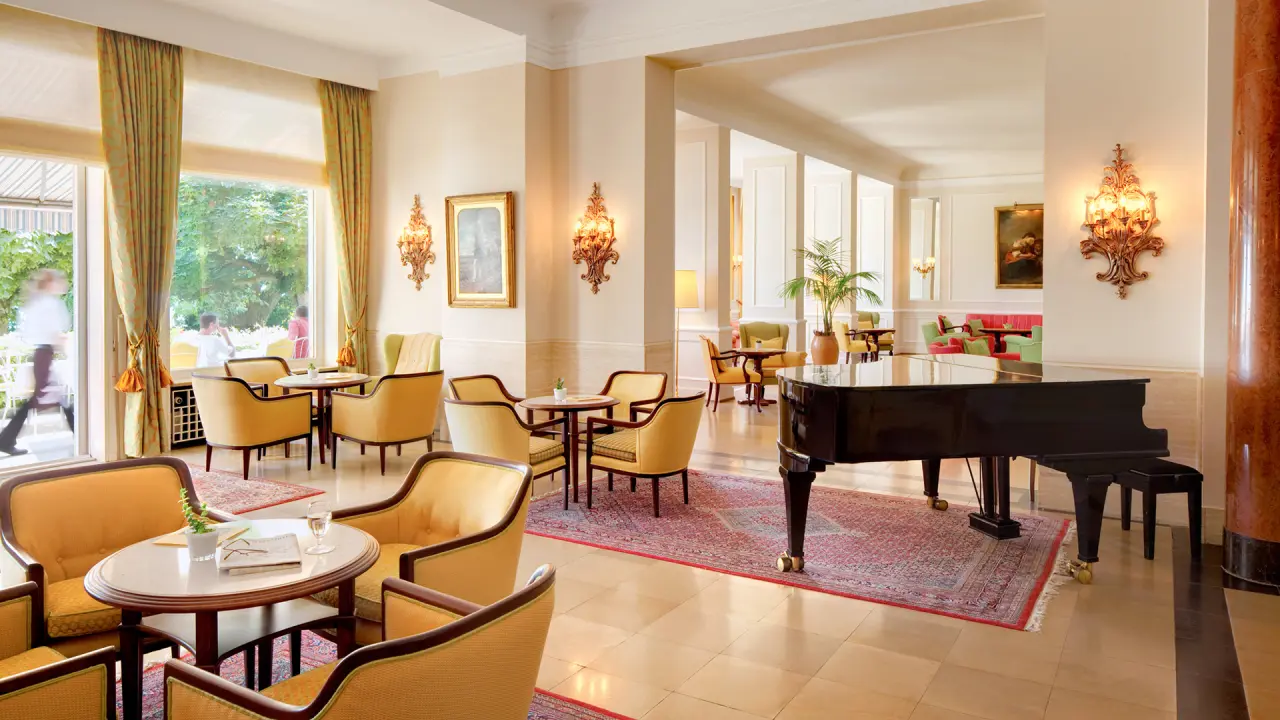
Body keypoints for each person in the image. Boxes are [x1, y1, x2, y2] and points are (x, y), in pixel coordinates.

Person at [0, 269, 73, 456]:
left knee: (51, 399)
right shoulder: (50, 303)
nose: (63, 283)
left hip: (42, 355)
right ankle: (5, 439)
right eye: (59, 280)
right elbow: (56, 332)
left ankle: (6, 439)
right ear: (50, 283)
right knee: (51, 400)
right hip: (45, 355)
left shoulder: (37, 302)